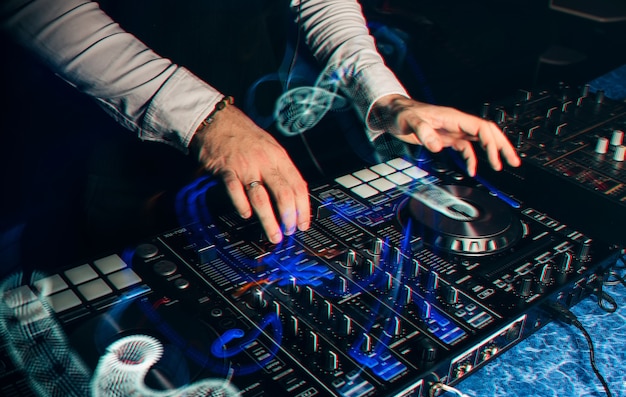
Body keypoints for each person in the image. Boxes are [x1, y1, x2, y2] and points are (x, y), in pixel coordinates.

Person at [0, 0, 520, 246]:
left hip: (258, 138)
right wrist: (207, 118)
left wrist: (386, 98)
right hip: (114, 149)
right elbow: (38, 8)